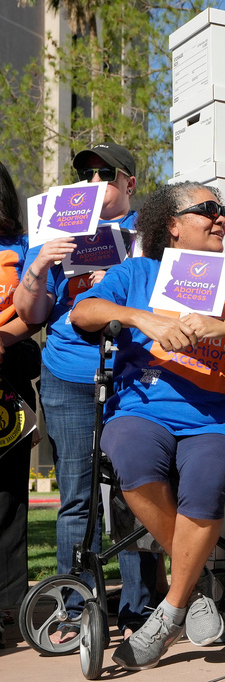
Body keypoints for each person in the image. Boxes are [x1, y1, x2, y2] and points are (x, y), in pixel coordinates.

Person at [68, 181, 225, 670]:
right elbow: (84, 312)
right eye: (208, 210)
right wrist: (141, 319)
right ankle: (194, 582)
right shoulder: (137, 271)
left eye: (223, 211)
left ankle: (170, 611)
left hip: (216, 420)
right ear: (172, 225)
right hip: (141, 412)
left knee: (207, 476)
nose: (221, 218)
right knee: (129, 452)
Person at [14, 142, 159, 642]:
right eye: (86, 174)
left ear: (129, 183)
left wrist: (116, 284)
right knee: (76, 496)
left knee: (132, 493)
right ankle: (73, 605)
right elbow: (32, 316)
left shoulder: (149, 235)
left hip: (134, 377)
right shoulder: (54, 233)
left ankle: (139, 608)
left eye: (106, 174)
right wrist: (37, 268)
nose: (94, 182)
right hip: (69, 375)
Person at [0, 161, 42, 647]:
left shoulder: (24, 247)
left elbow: (33, 314)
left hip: (8, 382)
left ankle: (9, 608)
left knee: (7, 499)